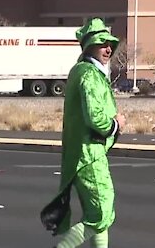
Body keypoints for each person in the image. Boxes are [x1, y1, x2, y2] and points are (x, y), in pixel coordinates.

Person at [40, 17, 126, 248]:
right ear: (90, 46)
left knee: (100, 215)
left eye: (110, 44)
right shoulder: (88, 75)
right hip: (89, 155)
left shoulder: (83, 71)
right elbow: (94, 116)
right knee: (100, 214)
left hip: (86, 153)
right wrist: (115, 124)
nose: (108, 49)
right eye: (102, 44)